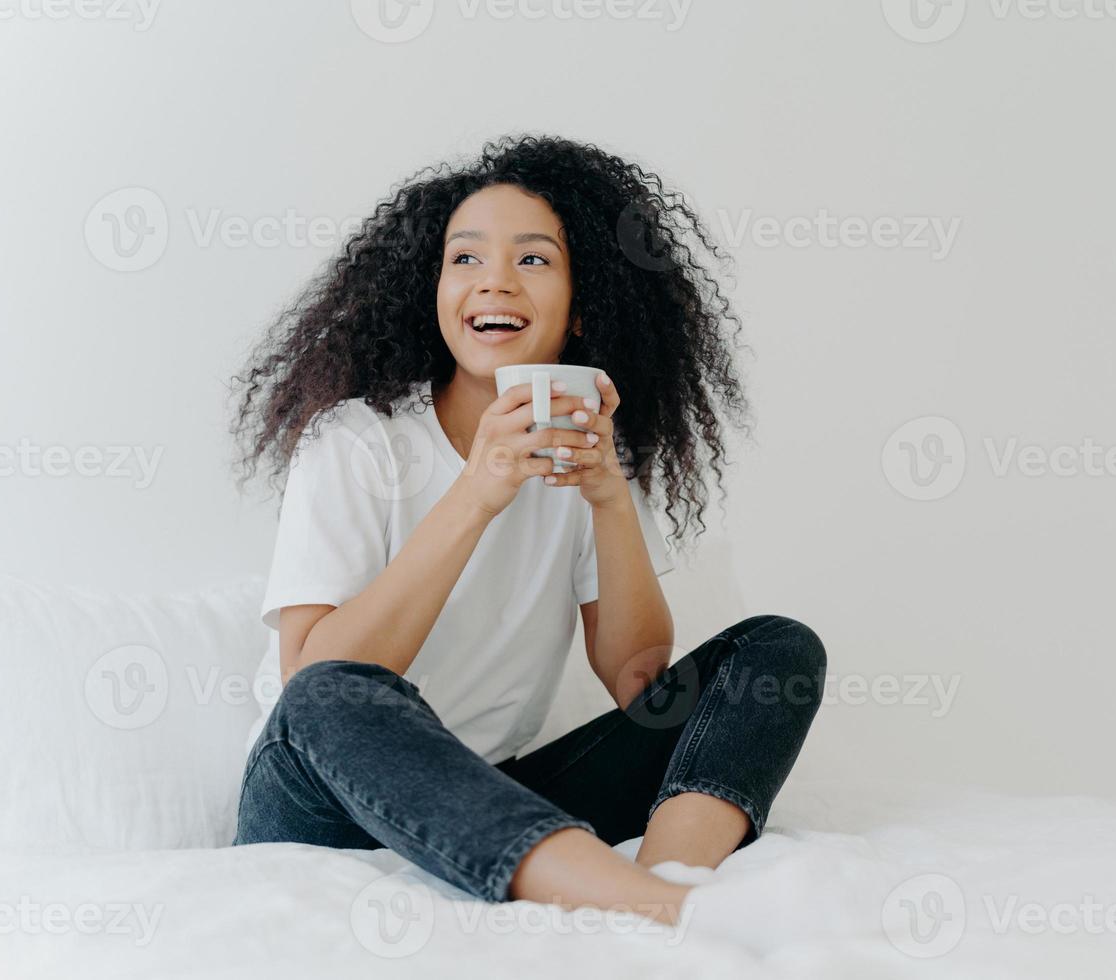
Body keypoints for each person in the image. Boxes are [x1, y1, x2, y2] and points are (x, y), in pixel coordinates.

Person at [225, 133, 826, 929]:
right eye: (465, 259)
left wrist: (612, 500)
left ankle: (674, 884)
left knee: (774, 648)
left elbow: (641, 685)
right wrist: (479, 489)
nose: (495, 280)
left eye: (533, 260)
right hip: (324, 804)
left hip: (497, 790)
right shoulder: (358, 440)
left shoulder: (587, 453)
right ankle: (641, 905)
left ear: (582, 308)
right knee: (331, 690)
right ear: (432, 289)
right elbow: (313, 680)